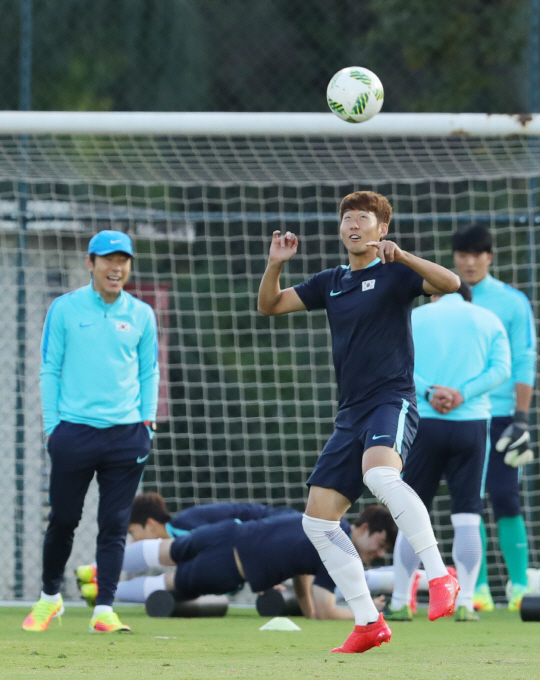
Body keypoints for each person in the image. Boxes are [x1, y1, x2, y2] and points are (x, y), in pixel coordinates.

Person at [257, 190, 461, 653]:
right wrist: (275, 263)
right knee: (318, 522)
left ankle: (439, 574)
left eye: (363, 218)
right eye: (347, 218)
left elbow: (450, 283)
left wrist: (404, 256)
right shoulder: (331, 281)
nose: (353, 225)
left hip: (391, 400)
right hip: (350, 415)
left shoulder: (396, 273)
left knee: (381, 475)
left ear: (381, 228)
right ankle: (368, 621)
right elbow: (269, 306)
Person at [22, 230, 160, 634]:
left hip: (126, 437)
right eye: (107, 260)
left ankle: (104, 609)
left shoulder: (141, 314)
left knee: (114, 526)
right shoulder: (64, 309)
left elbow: (149, 371)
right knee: (63, 520)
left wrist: (146, 424)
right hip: (73, 434)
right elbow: (50, 368)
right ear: (91, 263)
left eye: (123, 261)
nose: (116, 268)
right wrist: (53, 428)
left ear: (129, 266)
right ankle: (50, 598)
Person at [385, 282, 511, 622]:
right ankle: (467, 602)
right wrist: (462, 394)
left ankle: (400, 601)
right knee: (468, 513)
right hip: (471, 424)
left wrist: (429, 392)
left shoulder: (417, 316)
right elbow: (502, 370)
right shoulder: (488, 320)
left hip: (423, 422)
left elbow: (397, 360)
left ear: (435, 293)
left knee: (412, 510)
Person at [77, 505, 397, 620]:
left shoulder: (324, 520)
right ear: (365, 529)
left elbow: (302, 571)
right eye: (380, 544)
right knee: (168, 584)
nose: (378, 554)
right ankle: (107, 592)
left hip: (226, 532)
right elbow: (327, 610)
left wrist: (308, 611)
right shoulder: (339, 548)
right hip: (227, 568)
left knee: (164, 550)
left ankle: (93, 571)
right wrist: (371, 612)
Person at [452, 224, 537, 611]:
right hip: (461, 416)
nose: (469, 262)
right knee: (469, 499)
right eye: (462, 254)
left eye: (477, 254)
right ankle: (478, 588)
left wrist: (522, 418)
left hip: (503, 416)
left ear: (489, 256)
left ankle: (519, 586)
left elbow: (524, 359)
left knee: (505, 496)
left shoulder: (512, 301)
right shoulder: (445, 297)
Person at [126, 492, 297, 541]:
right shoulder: (180, 530)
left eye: (132, 532)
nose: (133, 541)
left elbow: (231, 539)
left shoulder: (184, 529)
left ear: (150, 524)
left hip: (277, 522)